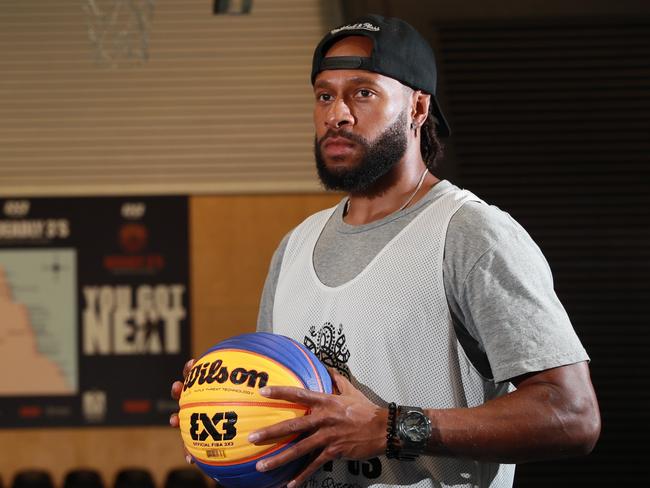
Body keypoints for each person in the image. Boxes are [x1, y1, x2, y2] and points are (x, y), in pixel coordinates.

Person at [171, 14, 600, 488]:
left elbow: (572, 415)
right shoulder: (294, 247)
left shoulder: (469, 234)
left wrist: (391, 428)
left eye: (363, 92)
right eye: (324, 95)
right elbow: (291, 416)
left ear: (418, 108)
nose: (337, 114)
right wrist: (228, 410)